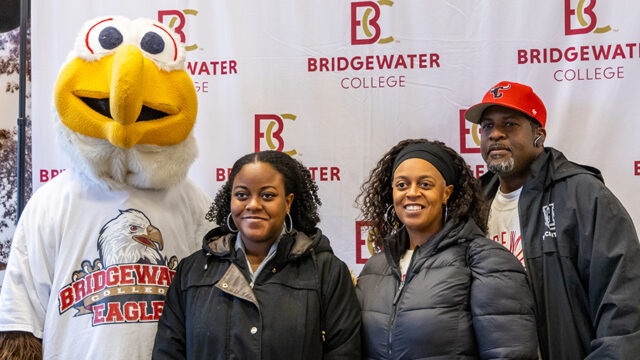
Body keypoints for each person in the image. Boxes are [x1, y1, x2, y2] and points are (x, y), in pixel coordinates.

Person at [465, 80, 640, 359]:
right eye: (487, 126)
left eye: (509, 124)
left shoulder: (582, 193)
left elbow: (623, 298)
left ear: (538, 135)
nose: (495, 134)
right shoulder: (473, 203)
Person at [152, 150, 361, 359]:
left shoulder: (327, 272)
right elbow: (168, 352)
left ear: (288, 202)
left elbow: (345, 353)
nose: (253, 205)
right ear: (230, 200)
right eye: (242, 195)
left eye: (267, 195)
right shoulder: (192, 271)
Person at [355, 139, 538, 359]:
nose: (411, 193)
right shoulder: (375, 268)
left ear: (446, 193)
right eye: (402, 185)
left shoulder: (486, 261)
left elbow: (509, 353)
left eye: (425, 184)